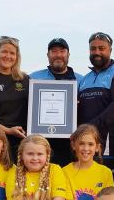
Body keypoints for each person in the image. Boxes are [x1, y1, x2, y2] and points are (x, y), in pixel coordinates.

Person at [78, 32, 114, 187]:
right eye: (93, 48)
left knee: (108, 192)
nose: (97, 52)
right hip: (85, 145)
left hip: (109, 145)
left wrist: (91, 127)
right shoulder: (85, 78)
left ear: (110, 50)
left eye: (101, 48)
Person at [30, 38, 83, 166]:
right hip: (40, 141)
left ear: (68, 55)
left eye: (62, 51)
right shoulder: (33, 78)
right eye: (54, 51)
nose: (58, 55)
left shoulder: (81, 80)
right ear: (48, 55)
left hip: (70, 142)